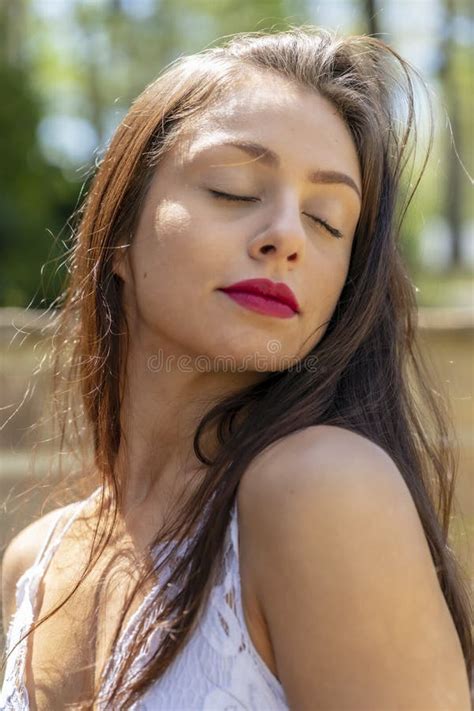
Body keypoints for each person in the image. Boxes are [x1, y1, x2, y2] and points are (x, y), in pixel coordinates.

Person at [1, 26, 472, 710]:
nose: (285, 235)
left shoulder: (322, 487)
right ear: (121, 236)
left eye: (326, 220)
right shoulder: (31, 566)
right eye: (232, 189)